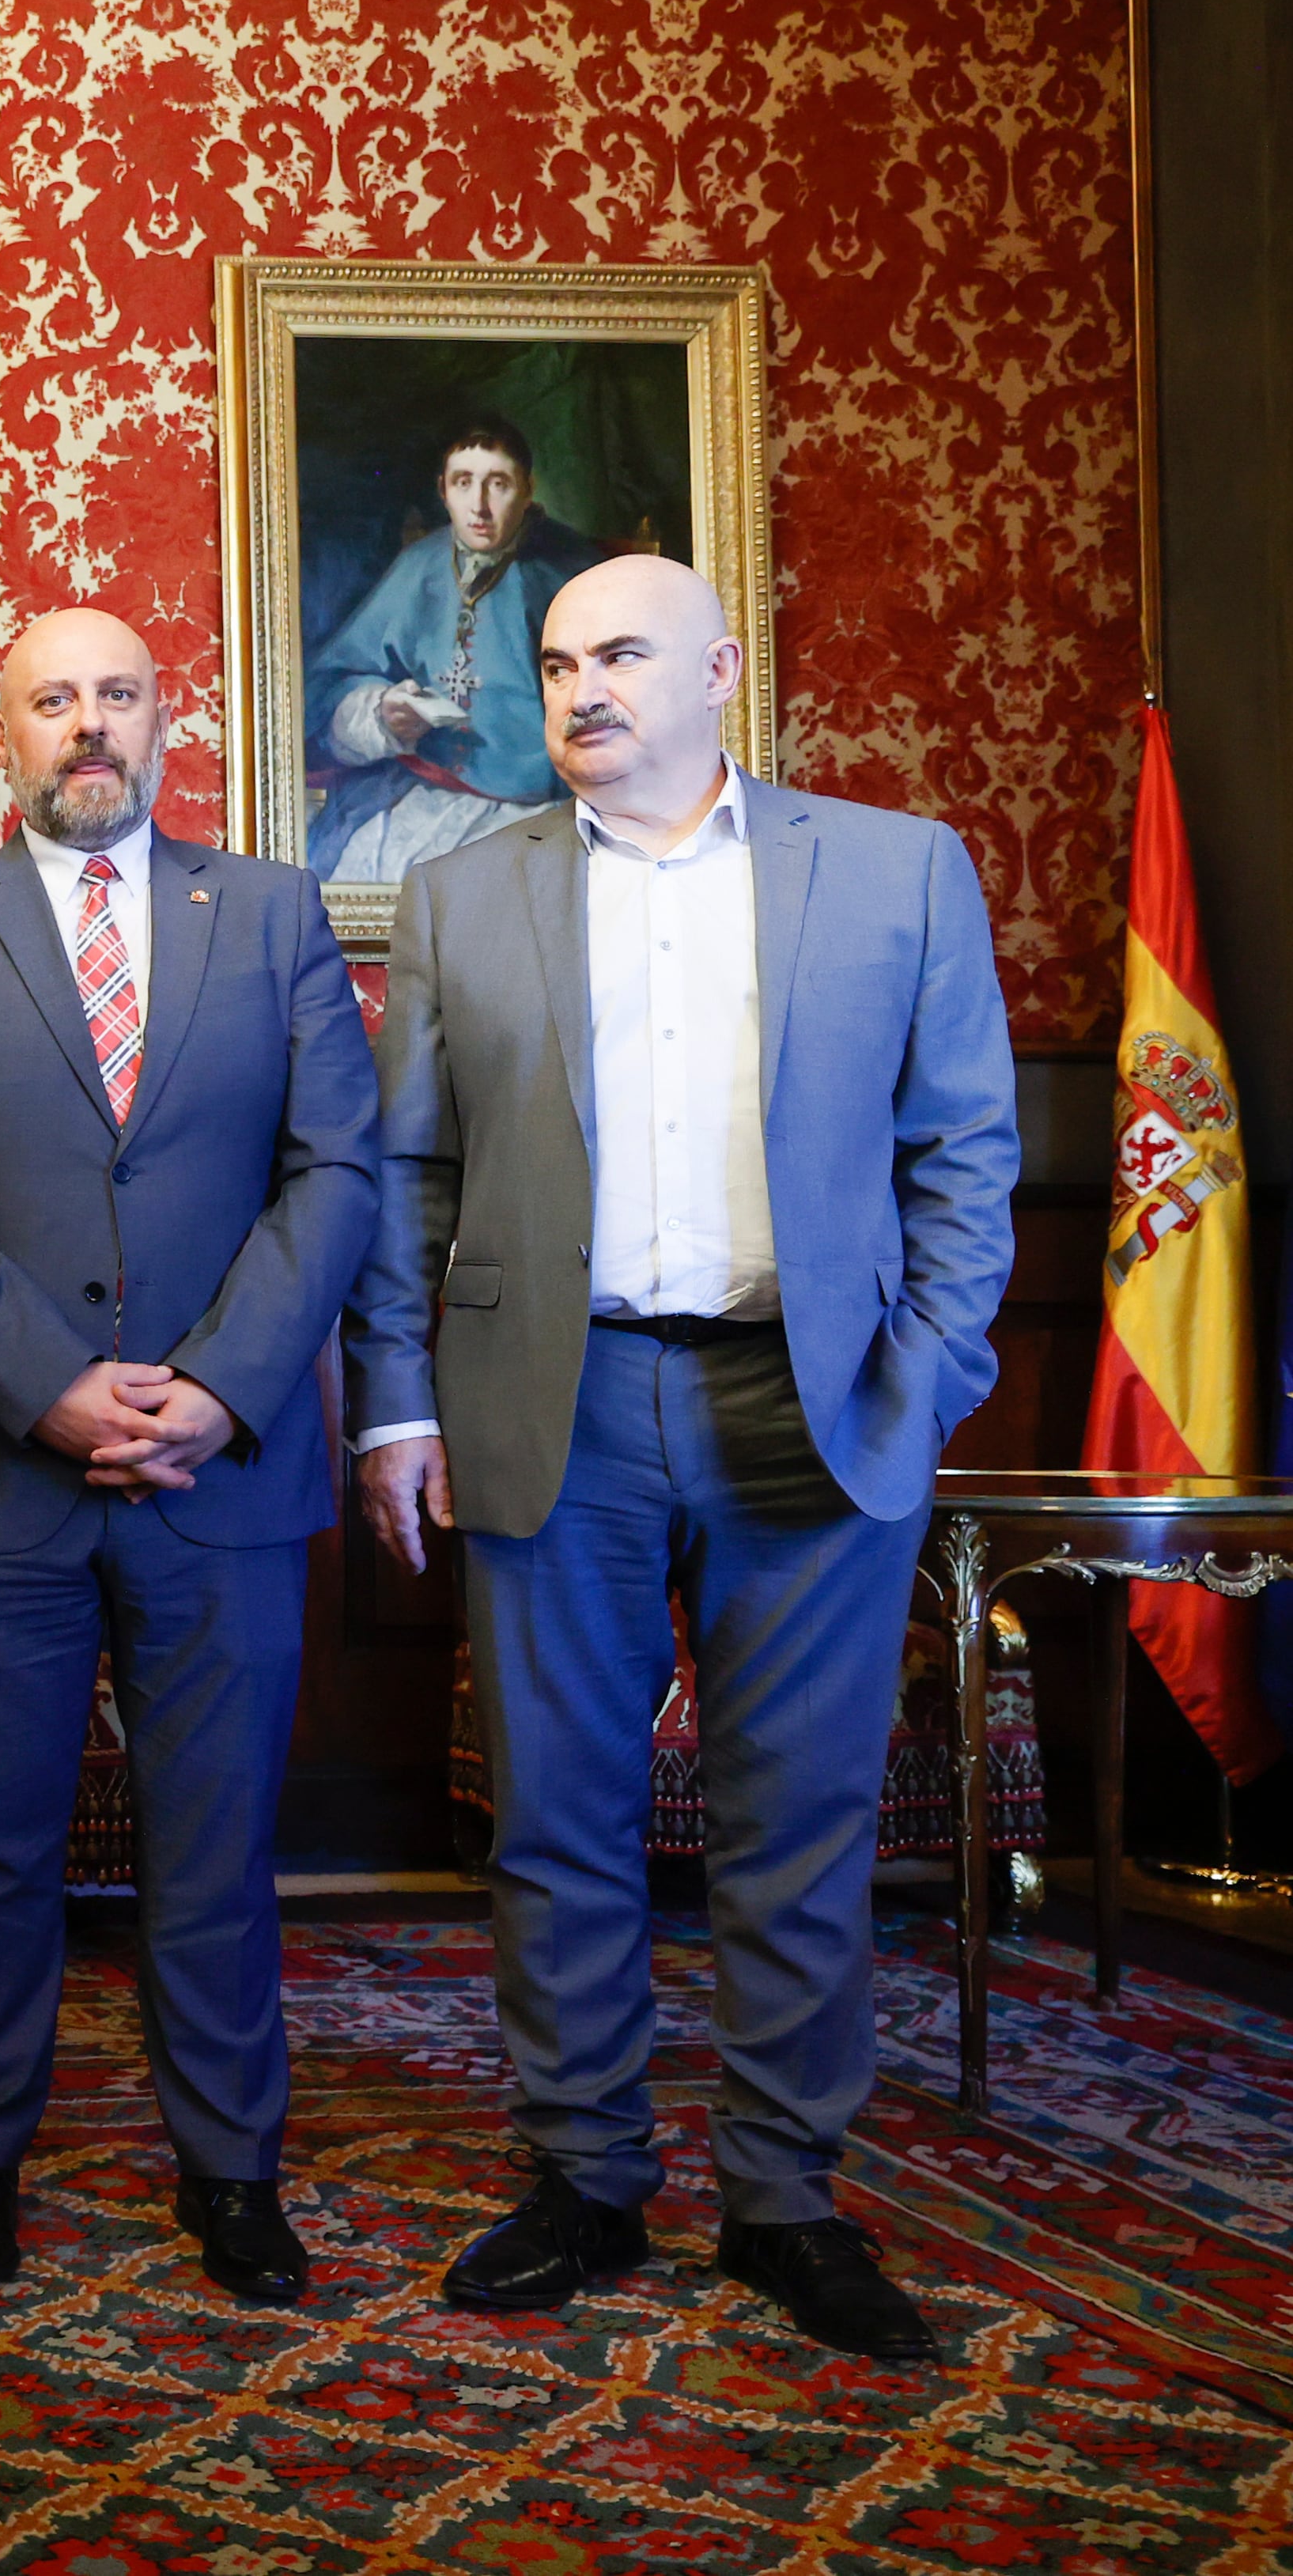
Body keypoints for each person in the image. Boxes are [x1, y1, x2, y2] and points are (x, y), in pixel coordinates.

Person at [346, 554, 1019, 2366]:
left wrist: (929, 1374)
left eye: (623, 654)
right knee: (557, 1818)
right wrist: (397, 1402)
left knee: (794, 1828)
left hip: (807, 1405)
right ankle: (584, 2176)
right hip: (548, 1400)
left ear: (719, 667)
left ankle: (787, 2198)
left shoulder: (893, 871)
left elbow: (966, 1151)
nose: (583, 689)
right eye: (558, 661)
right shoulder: (458, 896)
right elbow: (408, 1174)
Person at [0, 608, 380, 2306]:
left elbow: (336, 1172)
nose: (88, 724)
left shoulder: (273, 910)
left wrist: (217, 1388)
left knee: (213, 1844)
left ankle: (230, 2169)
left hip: (222, 1470)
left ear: (168, 720)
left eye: (119, 695)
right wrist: (50, 1386)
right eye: (52, 697)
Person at [301, 414, 600, 883]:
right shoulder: (418, 563)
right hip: (416, 782)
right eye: (464, 483)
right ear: (443, 490)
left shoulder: (572, 574)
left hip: (534, 802)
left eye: (498, 484)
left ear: (527, 488)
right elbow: (337, 677)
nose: (479, 506)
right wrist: (384, 712)